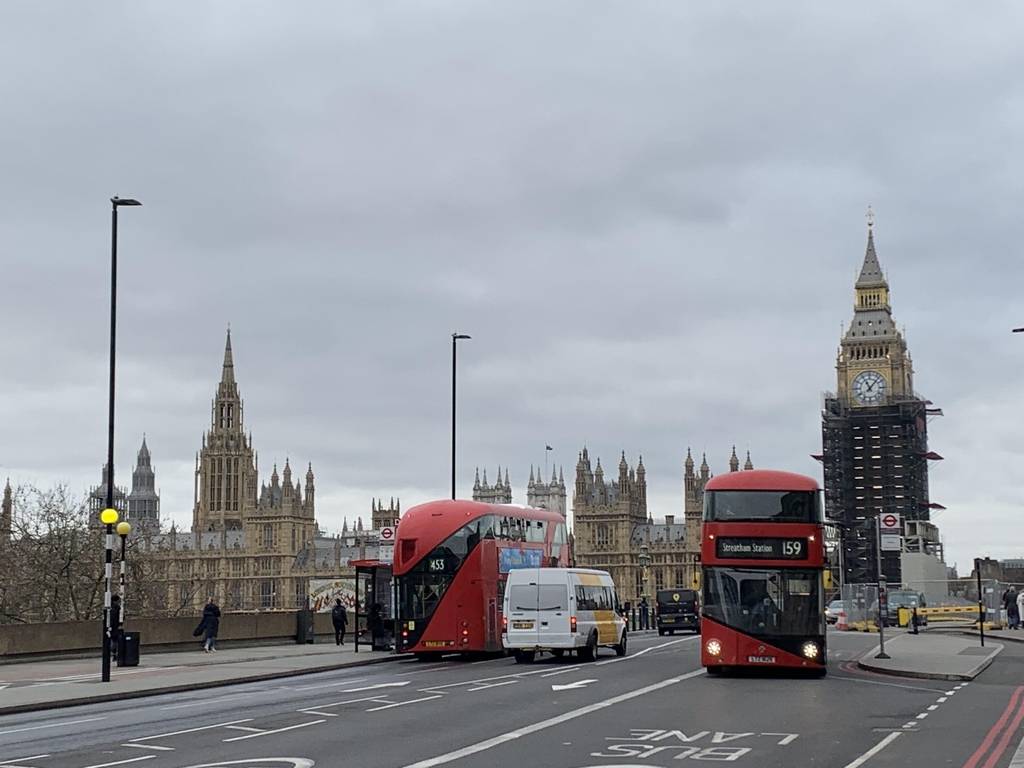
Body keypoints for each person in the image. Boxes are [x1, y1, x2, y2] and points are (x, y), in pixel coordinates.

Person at [109, 595, 122, 659]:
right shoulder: (117, 608)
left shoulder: (109, 607)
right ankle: (115, 653)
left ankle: (114, 653)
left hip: (110, 626)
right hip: (115, 626)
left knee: (113, 640)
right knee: (116, 640)